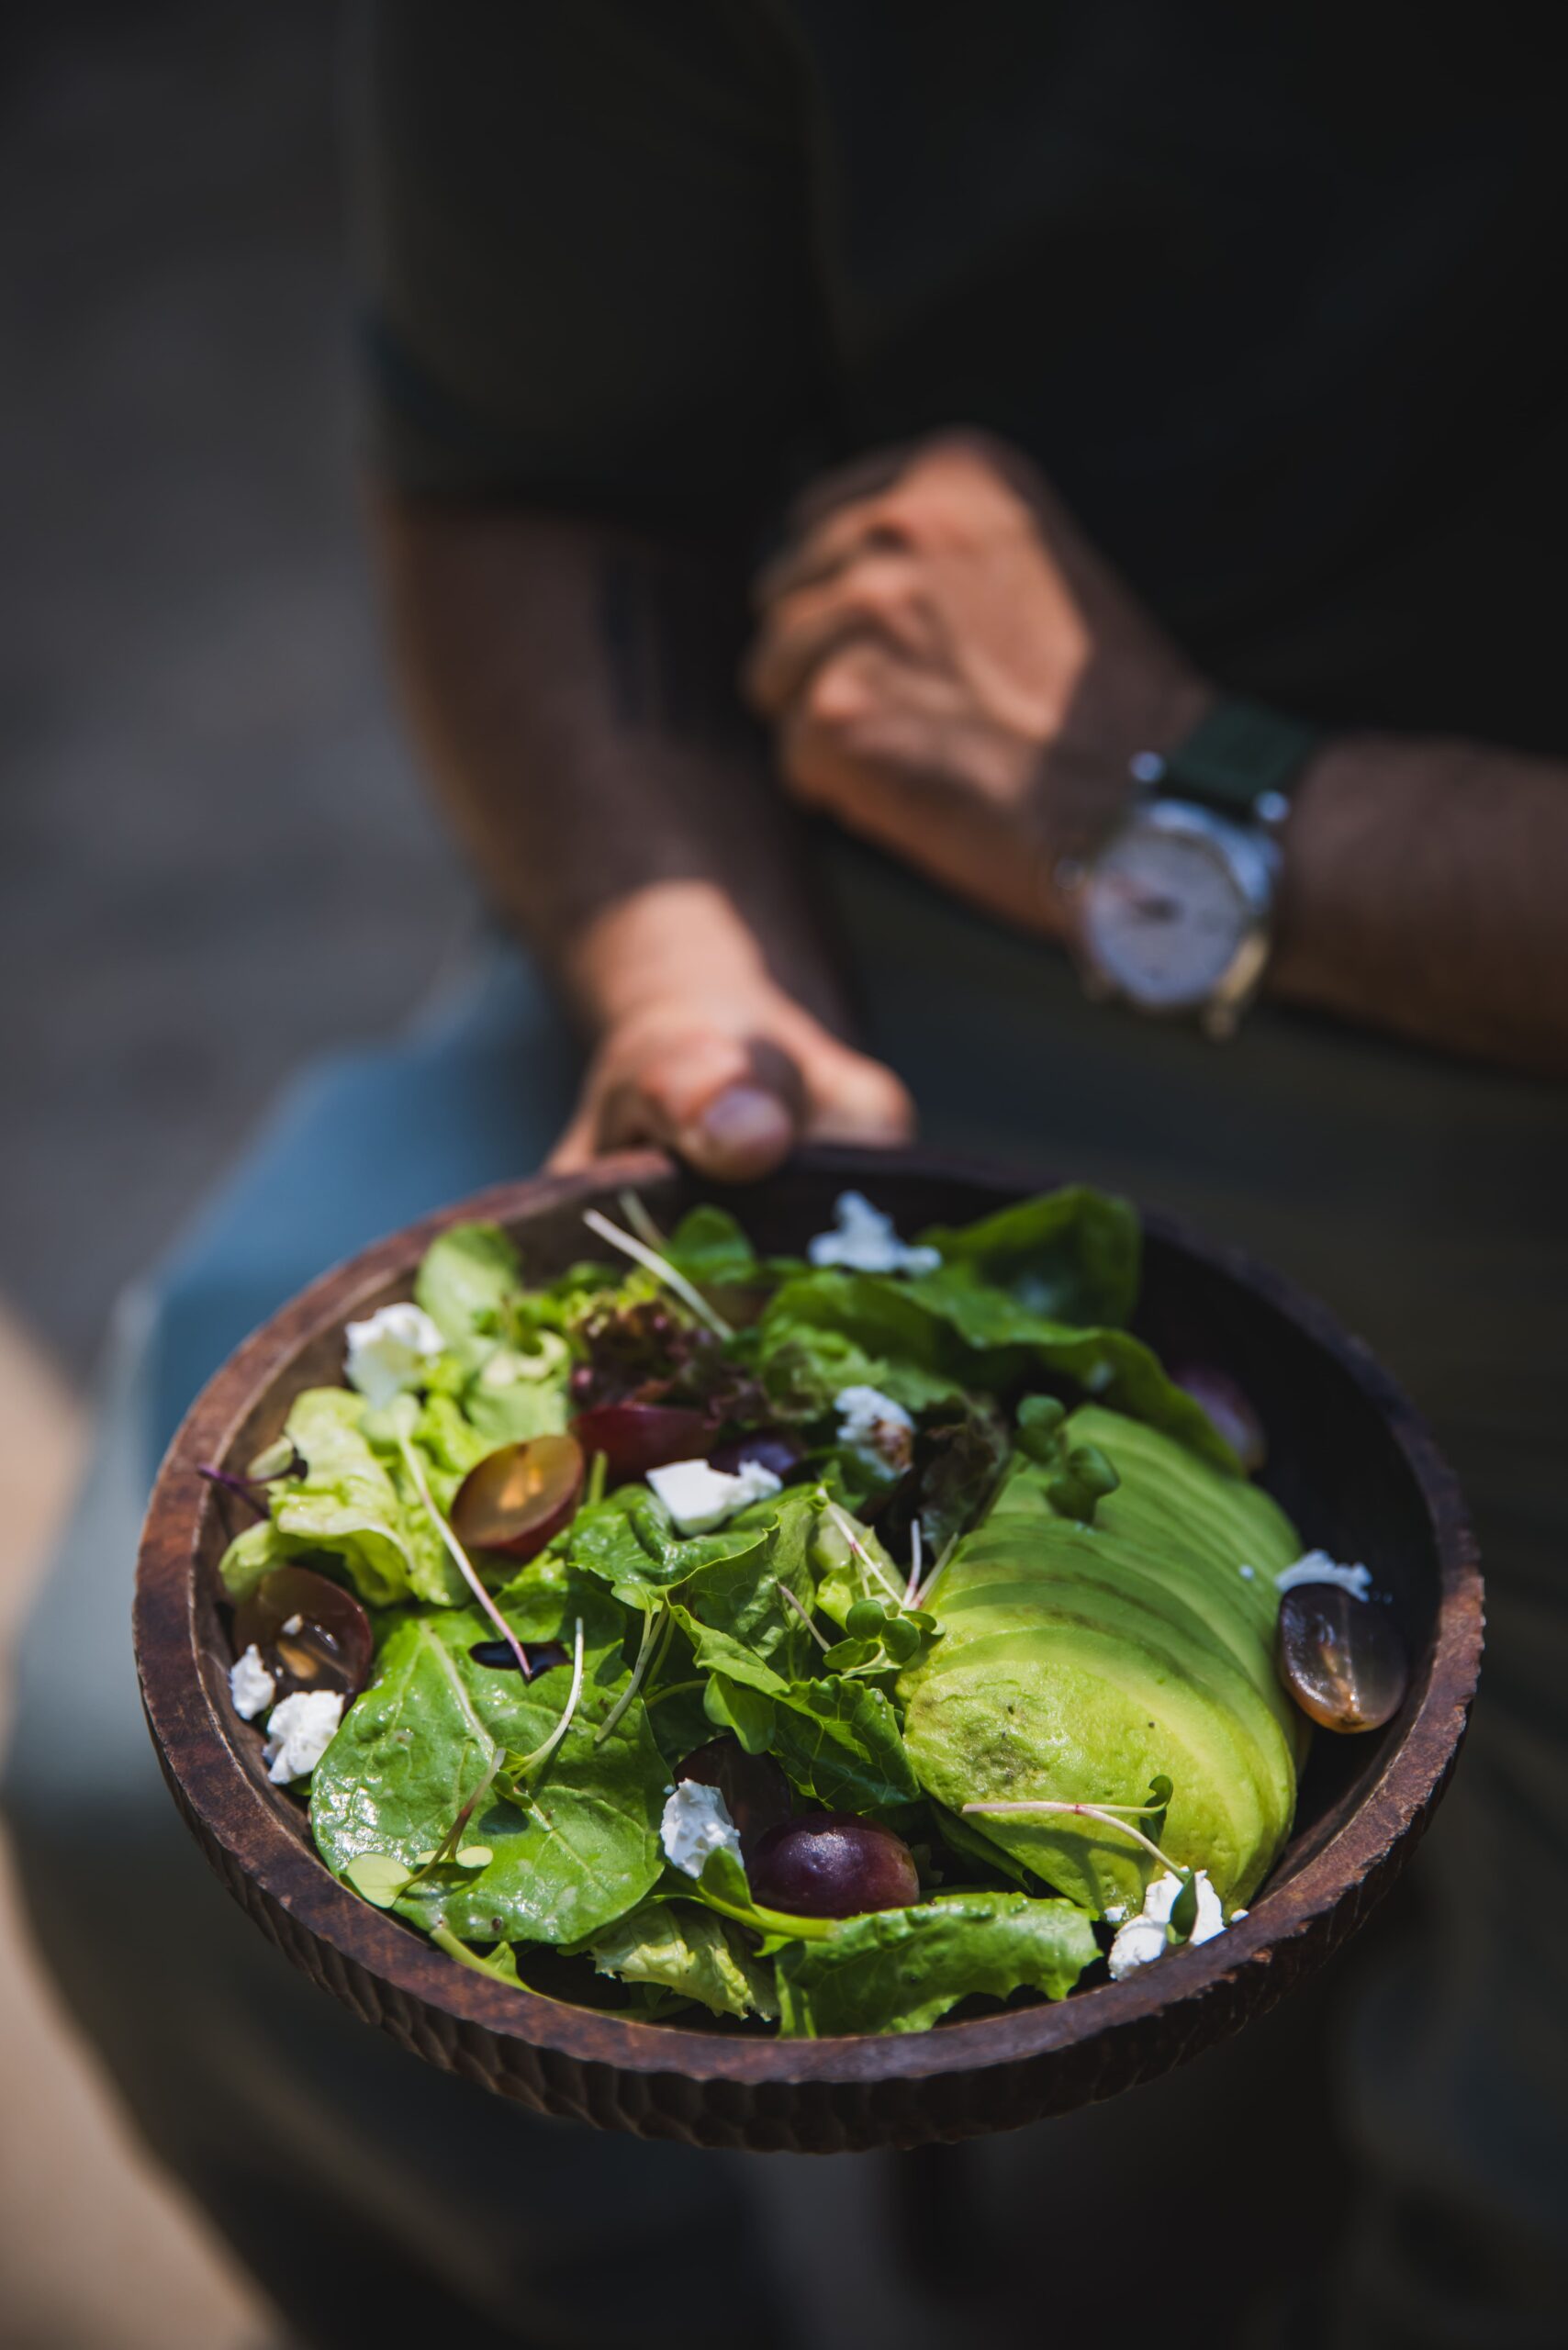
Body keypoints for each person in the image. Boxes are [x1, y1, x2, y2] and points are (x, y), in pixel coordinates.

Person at [7, 6, 1567, 2344]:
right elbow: (527, 479)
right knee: (116, 1781)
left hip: (1502, 1089)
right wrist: (680, 971)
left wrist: (1196, 802)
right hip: (826, 915)